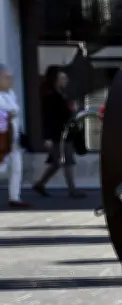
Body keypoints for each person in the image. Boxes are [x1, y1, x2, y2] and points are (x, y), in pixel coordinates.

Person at [33, 66, 84, 198]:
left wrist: (72, 110)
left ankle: (40, 184)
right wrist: (47, 138)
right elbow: (48, 118)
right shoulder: (50, 96)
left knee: (57, 163)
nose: (65, 80)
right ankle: (72, 190)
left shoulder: (62, 95)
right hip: (57, 135)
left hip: (65, 133)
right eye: (62, 78)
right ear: (55, 79)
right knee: (67, 161)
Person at [0, 64, 30, 208]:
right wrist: (6, 115)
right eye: (7, 77)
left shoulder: (11, 94)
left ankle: (14, 196)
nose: (10, 80)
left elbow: (16, 114)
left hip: (13, 137)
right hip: (2, 138)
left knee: (16, 167)